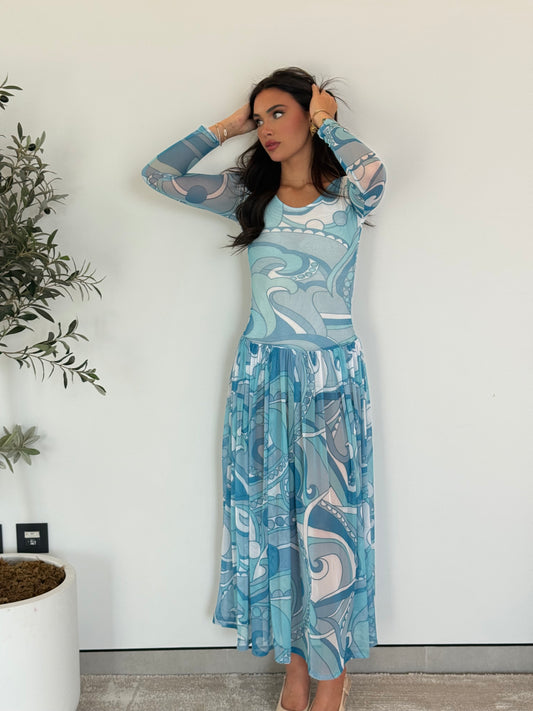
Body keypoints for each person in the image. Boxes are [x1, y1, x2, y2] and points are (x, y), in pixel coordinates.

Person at [142, 67, 386, 711]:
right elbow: (159, 174)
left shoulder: (348, 196)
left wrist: (329, 121)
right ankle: (296, 665)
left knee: (329, 529)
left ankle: (332, 674)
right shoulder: (249, 196)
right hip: (262, 379)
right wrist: (228, 125)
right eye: (259, 118)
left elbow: (375, 175)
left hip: (330, 380)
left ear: (311, 114)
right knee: (275, 525)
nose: (266, 128)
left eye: (279, 113)